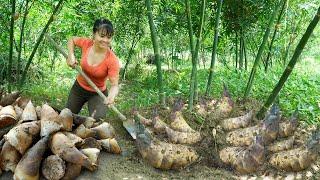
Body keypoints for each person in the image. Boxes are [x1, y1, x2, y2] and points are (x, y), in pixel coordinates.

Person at [66, 18, 120, 121]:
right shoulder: (87, 44)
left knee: (97, 121)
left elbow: (114, 85)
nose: (105, 40)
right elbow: (71, 39)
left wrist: (111, 96)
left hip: (98, 92)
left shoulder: (112, 59)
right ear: (94, 34)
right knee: (67, 116)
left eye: (109, 37)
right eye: (102, 36)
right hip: (79, 88)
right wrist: (71, 55)